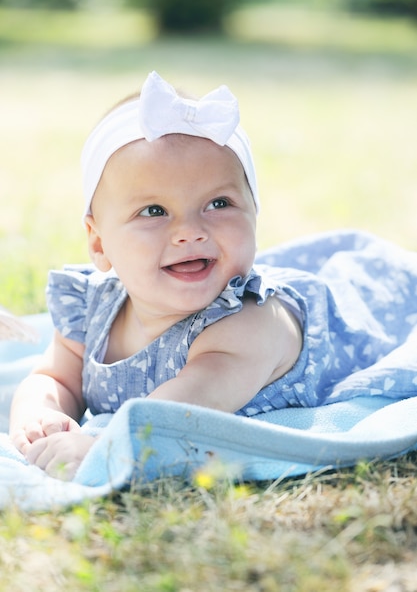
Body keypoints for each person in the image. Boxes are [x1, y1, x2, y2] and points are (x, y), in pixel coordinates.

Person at [10, 71, 417, 480]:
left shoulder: (247, 325)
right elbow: (54, 377)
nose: (189, 231)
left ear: (254, 214)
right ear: (99, 243)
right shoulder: (90, 310)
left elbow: (172, 418)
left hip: (369, 311)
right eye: (154, 211)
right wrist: (39, 416)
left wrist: (102, 448)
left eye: (218, 203)